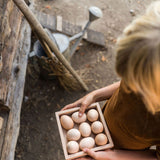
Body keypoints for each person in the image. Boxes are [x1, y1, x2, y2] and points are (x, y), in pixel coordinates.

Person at [62, 1, 160, 160]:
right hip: (108, 122)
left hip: (126, 151)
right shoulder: (149, 55)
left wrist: (113, 156)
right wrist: (96, 95)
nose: (131, 86)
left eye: (140, 86)